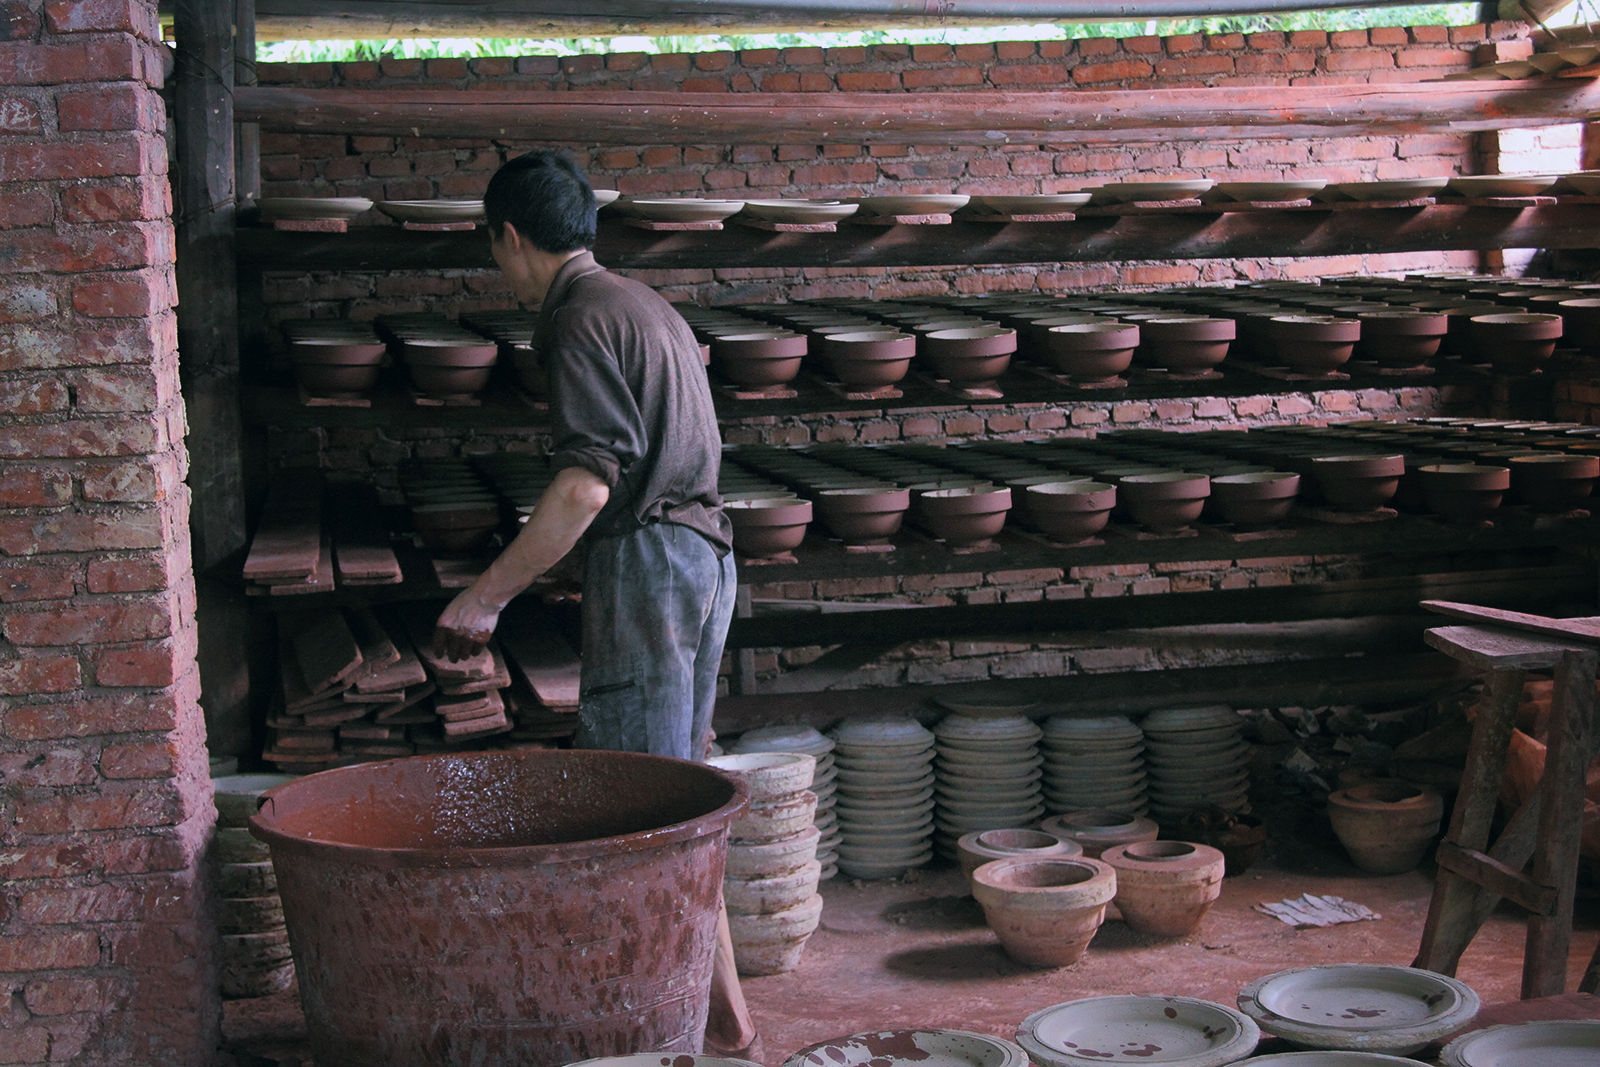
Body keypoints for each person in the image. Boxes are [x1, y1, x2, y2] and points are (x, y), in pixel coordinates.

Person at [432, 150, 759, 1060]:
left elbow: (584, 487)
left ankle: (657, 1031)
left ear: (507, 234)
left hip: (654, 563)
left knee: (642, 813)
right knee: (682, 798)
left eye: (492, 245)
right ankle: (724, 1015)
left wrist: (484, 597)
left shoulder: (575, 318)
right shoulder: (642, 303)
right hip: (706, 554)